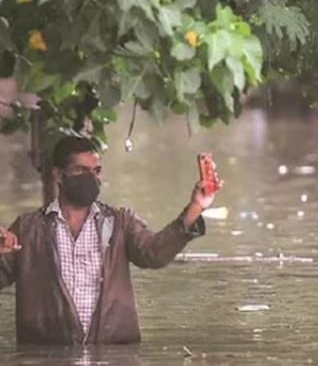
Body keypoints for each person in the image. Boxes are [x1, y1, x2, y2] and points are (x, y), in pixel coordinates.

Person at [0, 135, 219, 346]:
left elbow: (154, 254)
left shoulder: (120, 222)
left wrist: (196, 206)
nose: (91, 177)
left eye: (96, 171)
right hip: (45, 364)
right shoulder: (28, 229)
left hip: (112, 359)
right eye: (81, 170)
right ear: (58, 175)